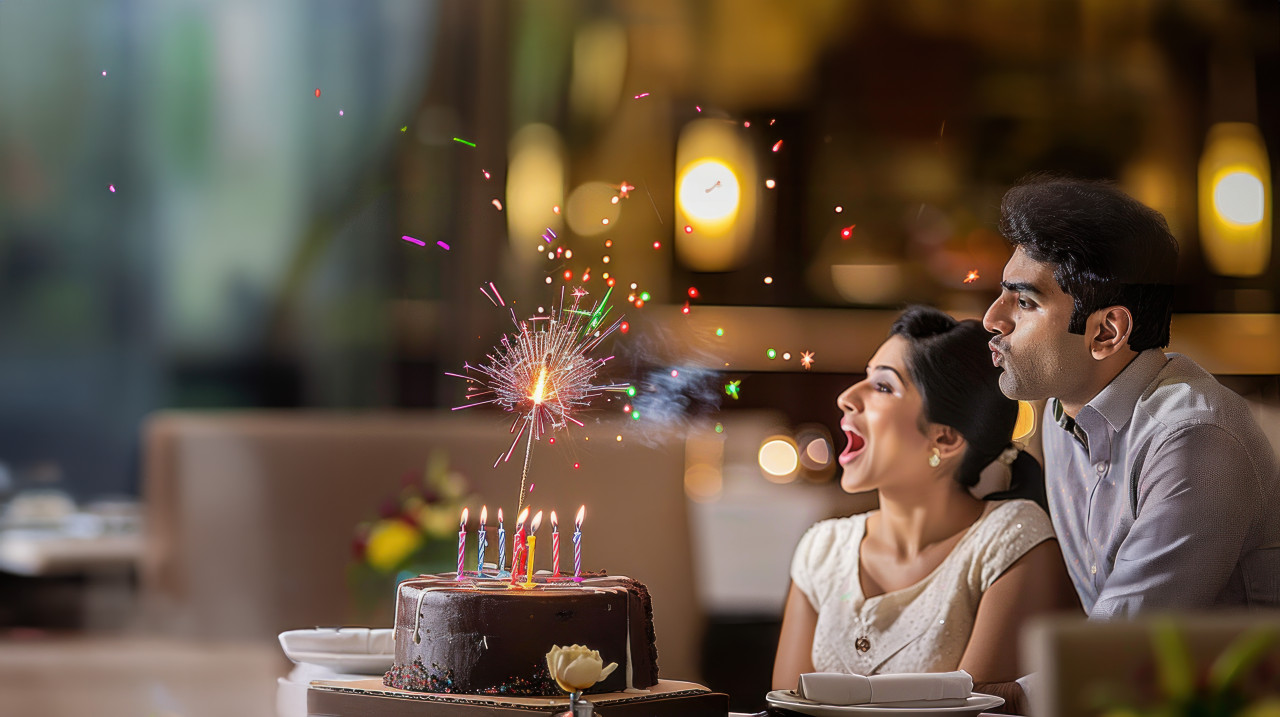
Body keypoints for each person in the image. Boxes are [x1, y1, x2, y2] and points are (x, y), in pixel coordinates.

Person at [983, 175, 1280, 618]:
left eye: (1025, 303)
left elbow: (1124, 643)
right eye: (1003, 294)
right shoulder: (1061, 414)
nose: (992, 319)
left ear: (1106, 332)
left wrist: (994, 691)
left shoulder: (1195, 440)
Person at [773, 306, 1078, 707]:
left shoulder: (1012, 539)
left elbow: (974, 714)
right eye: (864, 378)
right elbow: (785, 709)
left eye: (882, 387)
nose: (846, 398)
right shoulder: (822, 548)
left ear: (945, 440)